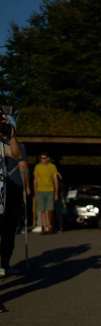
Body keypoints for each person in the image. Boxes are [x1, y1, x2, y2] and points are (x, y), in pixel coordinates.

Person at [0, 110, 29, 278]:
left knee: (9, 230)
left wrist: (11, 135)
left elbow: (18, 157)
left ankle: (5, 263)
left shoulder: (12, 145)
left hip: (11, 191)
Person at [34, 152, 58, 234]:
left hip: (50, 190)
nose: (43, 160)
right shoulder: (37, 167)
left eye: (44, 158)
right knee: (42, 209)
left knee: (50, 209)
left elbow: (55, 180)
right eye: (41, 158)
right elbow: (35, 180)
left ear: (48, 158)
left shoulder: (52, 167)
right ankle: (44, 226)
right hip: (40, 190)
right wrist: (35, 192)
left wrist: (56, 193)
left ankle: (49, 225)